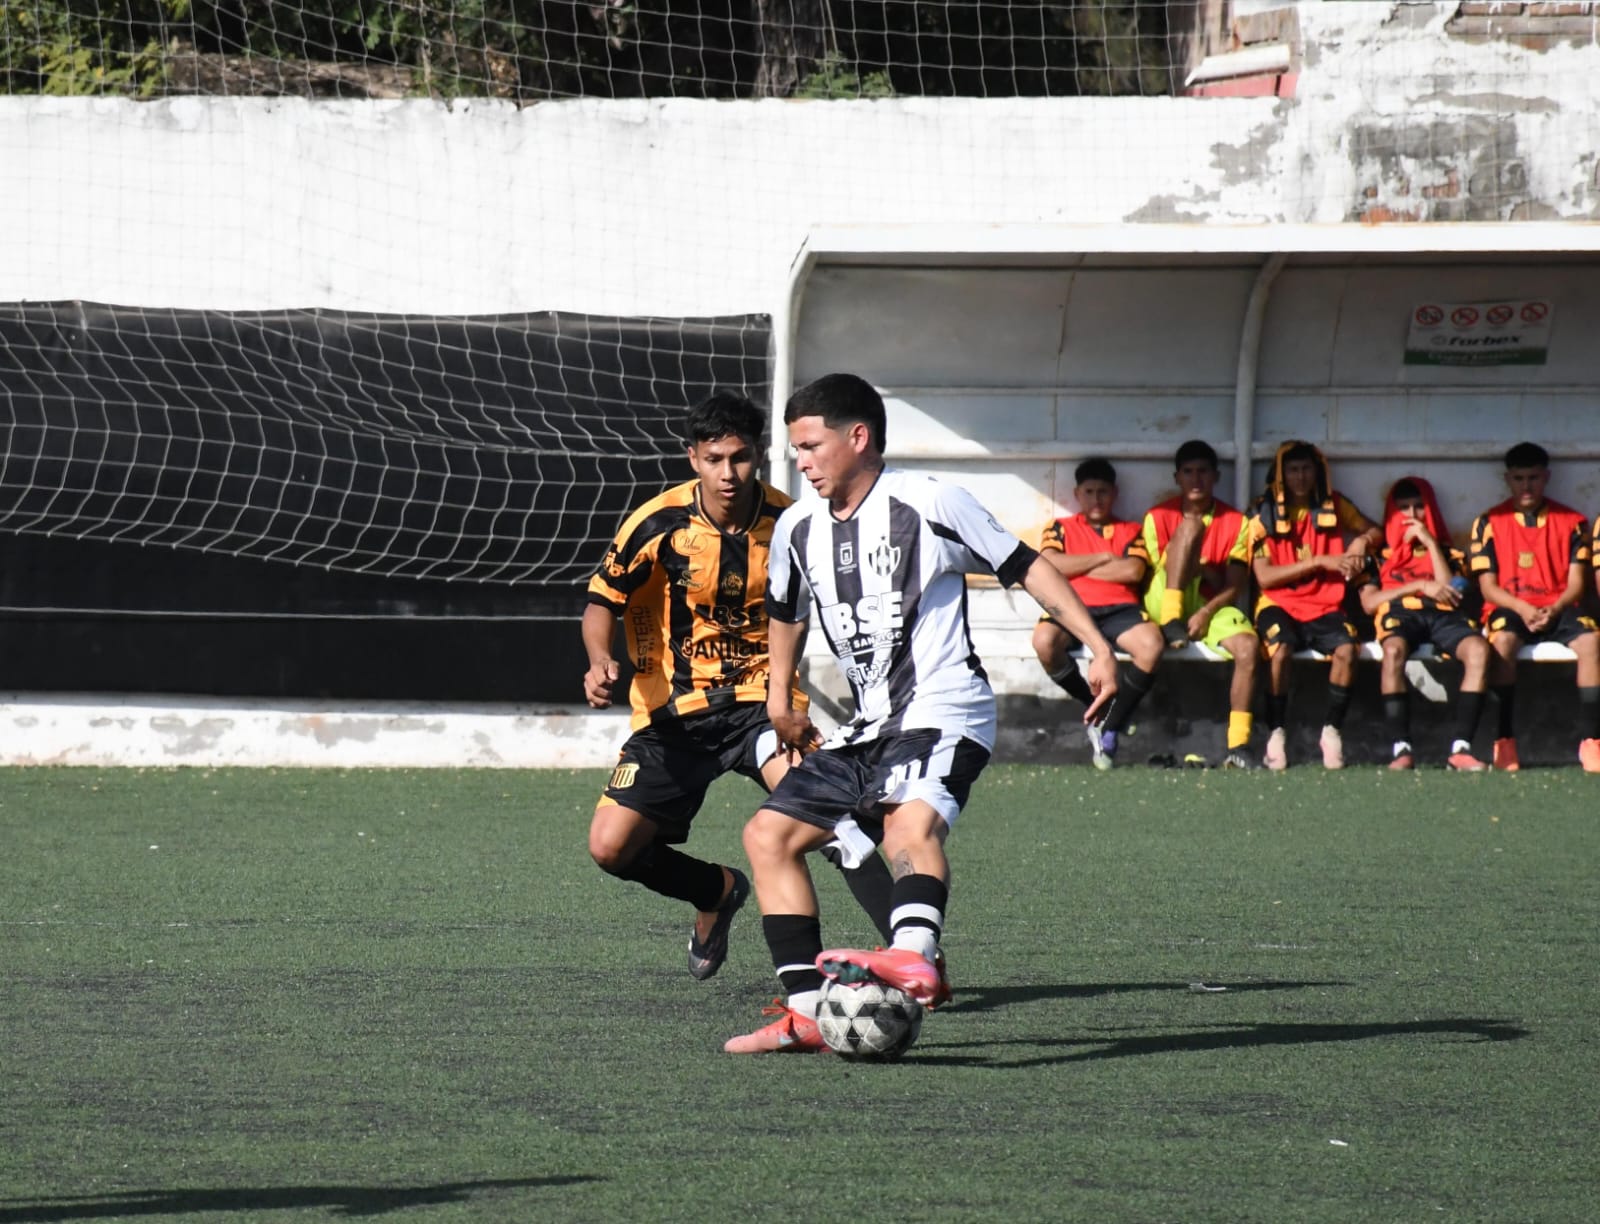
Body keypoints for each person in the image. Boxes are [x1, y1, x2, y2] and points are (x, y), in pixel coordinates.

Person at [723, 373, 1118, 1054]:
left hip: (944, 709)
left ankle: (914, 952)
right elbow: (785, 613)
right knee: (768, 836)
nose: (803, 462)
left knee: (909, 825)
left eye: (812, 446)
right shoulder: (795, 526)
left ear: (859, 437)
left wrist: (1097, 645)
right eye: (795, 450)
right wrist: (778, 698)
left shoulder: (931, 501)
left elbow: (1027, 565)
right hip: (867, 724)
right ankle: (805, 1013)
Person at [583, 391, 895, 981]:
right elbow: (602, 600)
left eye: (742, 458)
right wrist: (600, 659)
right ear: (693, 459)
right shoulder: (658, 523)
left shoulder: (795, 522)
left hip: (761, 708)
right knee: (611, 848)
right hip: (674, 717)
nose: (729, 473)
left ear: (760, 455)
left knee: (832, 824)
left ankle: (913, 950)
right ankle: (717, 891)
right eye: (715, 458)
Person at [1466, 442, 1600, 772]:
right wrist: (1523, 609)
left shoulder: (1573, 521)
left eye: (1534, 478)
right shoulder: (1488, 522)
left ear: (1547, 477)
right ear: (1508, 479)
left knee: (1592, 641)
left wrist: (1554, 609)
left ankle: (1592, 742)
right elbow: (1488, 588)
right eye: (1519, 478)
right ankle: (1504, 742)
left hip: (1557, 605)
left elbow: (1576, 585)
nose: (1527, 486)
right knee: (1503, 643)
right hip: (1511, 607)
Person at [1248, 440, 1381, 770]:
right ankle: (1276, 732)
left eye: (1307, 469)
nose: (1301, 476)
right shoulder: (1260, 512)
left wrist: (1362, 541)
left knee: (1348, 650)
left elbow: (1376, 531)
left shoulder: (1334, 504)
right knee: (1279, 650)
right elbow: (1264, 578)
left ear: (1318, 472)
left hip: (1325, 604)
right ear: (1280, 474)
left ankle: (1332, 731)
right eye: (1293, 470)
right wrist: (1320, 562)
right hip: (1277, 603)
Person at [1030, 457, 1162, 770]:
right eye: (1089, 491)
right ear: (1077, 494)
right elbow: (1049, 565)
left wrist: (1075, 566)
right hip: (1073, 607)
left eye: (1103, 491)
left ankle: (1112, 725)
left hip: (1120, 607)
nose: (1096, 498)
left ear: (1114, 493)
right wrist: (1102, 558)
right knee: (1043, 642)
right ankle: (1096, 708)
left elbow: (1132, 571)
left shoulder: (1131, 529)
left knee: (1152, 645)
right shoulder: (1059, 528)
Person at [1356, 475, 1490, 771]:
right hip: (1401, 615)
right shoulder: (1379, 558)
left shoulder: (1449, 553)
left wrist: (1430, 542)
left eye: (1419, 507)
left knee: (1479, 650)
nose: (1412, 516)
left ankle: (1462, 748)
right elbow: (1369, 603)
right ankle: (1401, 748)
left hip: (1443, 615)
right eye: (1404, 508)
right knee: (1392, 651)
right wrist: (1417, 585)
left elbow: (1450, 593)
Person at [1140, 439, 1259, 768]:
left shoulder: (1237, 522)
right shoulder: (1156, 517)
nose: (1196, 479)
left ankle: (1238, 745)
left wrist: (1207, 612)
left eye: (1203, 472)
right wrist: (1205, 567)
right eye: (1188, 472)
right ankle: (1171, 619)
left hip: (1209, 604)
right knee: (1190, 527)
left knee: (1249, 648)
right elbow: (1159, 571)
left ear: (1216, 476)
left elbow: (1233, 585)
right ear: (1176, 477)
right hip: (1163, 598)